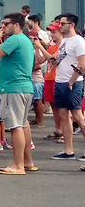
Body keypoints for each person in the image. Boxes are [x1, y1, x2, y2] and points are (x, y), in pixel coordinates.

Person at [0, 13, 37, 175]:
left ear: (16, 25)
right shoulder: (26, 41)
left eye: (6, 23)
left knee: (16, 126)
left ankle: (18, 165)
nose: (3, 26)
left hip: (14, 88)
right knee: (23, 124)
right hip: (25, 87)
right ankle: (27, 161)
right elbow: (32, 65)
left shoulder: (15, 39)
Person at [49, 13, 85, 164]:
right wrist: (54, 62)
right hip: (61, 82)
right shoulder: (65, 41)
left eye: (62, 23)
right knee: (64, 115)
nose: (59, 26)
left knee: (77, 115)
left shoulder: (78, 41)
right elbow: (61, 58)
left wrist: (71, 81)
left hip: (73, 83)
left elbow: (82, 65)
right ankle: (68, 150)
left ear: (71, 25)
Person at [34, 22, 63, 141]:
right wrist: (37, 47)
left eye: (54, 32)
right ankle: (58, 130)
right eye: (51, 32)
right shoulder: (52, 45)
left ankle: (64, 131)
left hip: (57, 78)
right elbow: (41, 60)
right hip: (49, 77)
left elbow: (52, 58)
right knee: (54, 105)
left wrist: (40, 46)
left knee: (61, 107)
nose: (51, 34)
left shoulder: (62, 45)